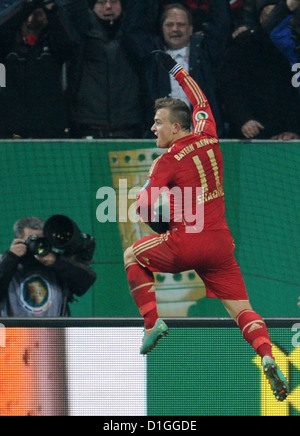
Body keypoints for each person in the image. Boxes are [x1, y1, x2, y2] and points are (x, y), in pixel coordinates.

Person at [123, 50, 289, 402]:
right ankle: (267, 356)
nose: (153, 127)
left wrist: (159, 222)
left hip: (187, 242)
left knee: (131, 256)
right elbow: (201, 99)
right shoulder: (209, 134)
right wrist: (177, 70)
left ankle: (152, 323)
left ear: (176, 127)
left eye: (158, 122)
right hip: (221, 245)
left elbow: (143, 203)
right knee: (242, 310)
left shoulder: (166, 161)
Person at [124, 0, 231, 138]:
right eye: (169, 25)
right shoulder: (152, 57)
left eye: (181, 24)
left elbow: (221, 25)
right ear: (161, 28)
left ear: (191, 28)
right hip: (161, 144)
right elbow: (133, 29)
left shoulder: (205, 53)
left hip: (202, 142)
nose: (175, 29)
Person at [62, 0, 149, 139]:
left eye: (114, 2)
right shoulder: (81, 36)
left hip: (130, 127)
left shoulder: (137, 38)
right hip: (89, 126)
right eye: (101, 2)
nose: (108, 7)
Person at [219, 3, 300, 140]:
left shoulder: (291, 48)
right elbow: (230, 88)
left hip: (288, 137)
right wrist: (244, 119)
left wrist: (292, 129)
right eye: (268, 17)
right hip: (250, 136)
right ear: (260, 19)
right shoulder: (243, 46)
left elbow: (293, 95)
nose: (272, 22)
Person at [0, 0, 77, 139]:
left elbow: (69, 46)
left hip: (48, 129)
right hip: (11, 128)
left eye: (38, 15)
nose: (31, 20)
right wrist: (26, 6)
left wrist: (51, 10)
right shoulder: (8, 43)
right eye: (28, 15)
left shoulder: (53, 43)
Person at [0, 216, 97, 316]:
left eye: (42, 240)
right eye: (32, 240)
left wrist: (56, 262)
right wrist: (12, 258)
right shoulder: (5, 261)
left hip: (53, 330)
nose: (38, 245)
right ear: (18, 241)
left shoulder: (55, 260)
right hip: (13, 330)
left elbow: (85, 281)